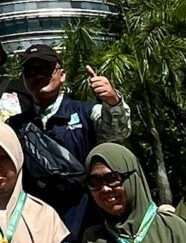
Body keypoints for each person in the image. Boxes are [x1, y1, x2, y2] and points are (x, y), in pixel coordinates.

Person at [11, 45, 123, 233]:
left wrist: (113, 102)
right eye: (30, 72)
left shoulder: (87, 112)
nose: (38, 76)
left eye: (45, 69)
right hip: (39, 229)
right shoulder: (14, 126)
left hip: (87, 226)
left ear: (62, 75)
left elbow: (118, 133)